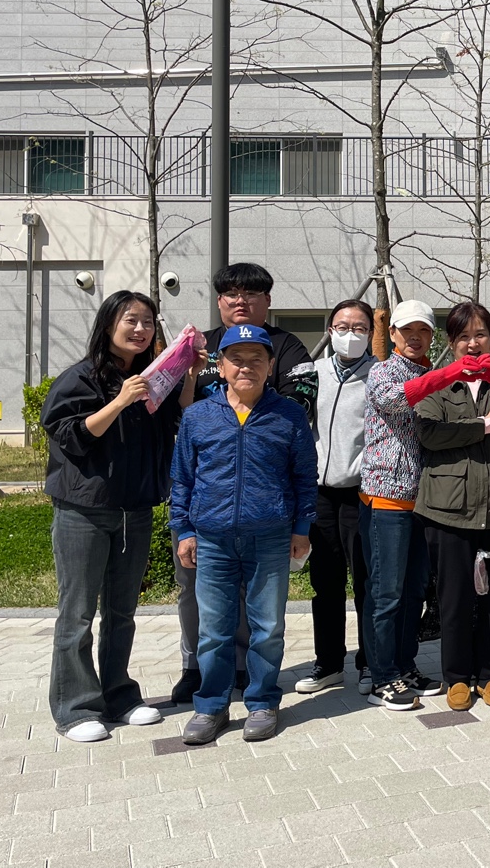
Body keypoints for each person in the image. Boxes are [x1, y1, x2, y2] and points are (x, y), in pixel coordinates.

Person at [41, 291, 204, 743]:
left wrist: (189, 374)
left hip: (135, 508)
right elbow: (70, 436)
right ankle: (75, 708)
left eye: (148, 322)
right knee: (77, 613)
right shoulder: (81, 377)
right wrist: (118, 401)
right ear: (108, 323)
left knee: (121, 611)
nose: (141, 329)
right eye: (131, 320)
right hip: (85, 510)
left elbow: (179, 419)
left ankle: (119, 696)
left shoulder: (152, 378)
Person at [171, 262, 320, 704]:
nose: (241, 301)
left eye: (251, 294)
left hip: (266, 514)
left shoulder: (288, 346)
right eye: (231, 294)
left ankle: (254, 685)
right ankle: (199, 677)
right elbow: (180, 419)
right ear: (219, 301)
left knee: (265, 619)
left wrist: (301, 525)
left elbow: (297, 422)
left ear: (267, 301)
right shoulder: (198, 348)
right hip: (210, 513)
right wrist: (183, 526)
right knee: (203, 608)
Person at [411, 302, 490, 711]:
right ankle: (457, 677)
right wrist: (483, 425)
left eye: (480, 335)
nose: (472, 343)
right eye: (463, 336)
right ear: (452, 342)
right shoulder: (436, 384)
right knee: (455, 597)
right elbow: (429, 433)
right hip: (448, 507)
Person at [358, 300, 443, 711]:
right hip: (386, 497)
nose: (415, 337)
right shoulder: (382, 371)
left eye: (423, 330)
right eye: (407, 329)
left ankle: (405, 666)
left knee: (413, 592)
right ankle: (381, 677)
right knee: (386, 593)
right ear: (392, 333)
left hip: (423, 500)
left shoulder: (433, 374)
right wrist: (445, 376)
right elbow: (396, 400)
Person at [295, 300, 378, 697]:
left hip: (361, 492)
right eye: (342, 326)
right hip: (321, 492)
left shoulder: (379, 375)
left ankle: (369, 662)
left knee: (366, 581)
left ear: (371, 334)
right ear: (329, 330)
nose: (350, 334)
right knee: (325, 582)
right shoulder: (312, 374)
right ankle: (328, 663)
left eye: (359, 327)